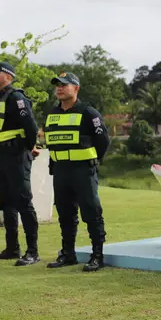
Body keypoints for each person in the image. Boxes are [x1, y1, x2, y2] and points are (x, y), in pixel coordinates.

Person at [43, 72, 111, 272]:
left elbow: (103, 141)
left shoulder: (89, 112)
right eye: (57, 85)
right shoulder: (52, 114)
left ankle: (97, 255)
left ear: (76, 88)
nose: (59, 88)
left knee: (91, 212)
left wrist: (93, 161)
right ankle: (68, 254)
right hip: (61, 172)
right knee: (65, 214)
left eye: (64, 84)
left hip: (83, 171)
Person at [0, 61, 40, 266]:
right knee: (6, 203)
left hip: (17, 156)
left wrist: (27, 148)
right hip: (1, 157)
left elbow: (31, 127)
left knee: (23, 201)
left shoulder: (17, 98)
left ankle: (32, 252)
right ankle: (12, 248)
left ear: (8, 76)